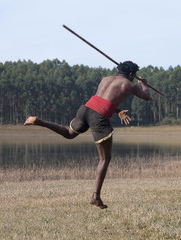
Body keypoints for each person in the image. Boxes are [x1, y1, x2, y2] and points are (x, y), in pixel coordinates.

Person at [24, 61, 151, 209]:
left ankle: (39, 121)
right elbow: (147, 96)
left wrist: (118, 111)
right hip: (99, 116)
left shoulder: (105, 79)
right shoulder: (131, 85)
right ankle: (95, 196)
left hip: (85, 109)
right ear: (131, 75)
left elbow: (103, 100)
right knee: (105, 158)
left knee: (69, 133)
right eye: (134, 76)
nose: (134, 78)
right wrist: (144, 84)